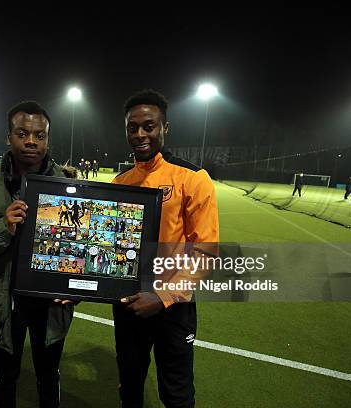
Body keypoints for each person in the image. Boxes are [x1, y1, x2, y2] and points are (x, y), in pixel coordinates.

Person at [0, 100, 75, 408]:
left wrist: (76, 287)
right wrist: (2, 227)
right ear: (9, 137)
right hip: (4, 302)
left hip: (50, 305)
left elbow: (81, 249)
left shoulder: (68, 186)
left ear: (47, 139)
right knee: (6, 375)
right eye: (22, 133)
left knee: (49, 374)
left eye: (39, 135)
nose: (31, 141)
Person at [112, 90, 219, 408]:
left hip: (174, 307)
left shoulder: (193, 179)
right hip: (129, 302)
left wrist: (162, 297)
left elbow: (206, 252)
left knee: (176, 392)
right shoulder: (120, 183)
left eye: (149, 126)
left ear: (165, 128)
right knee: (129, 385)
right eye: (133, 127)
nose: (140, 134)